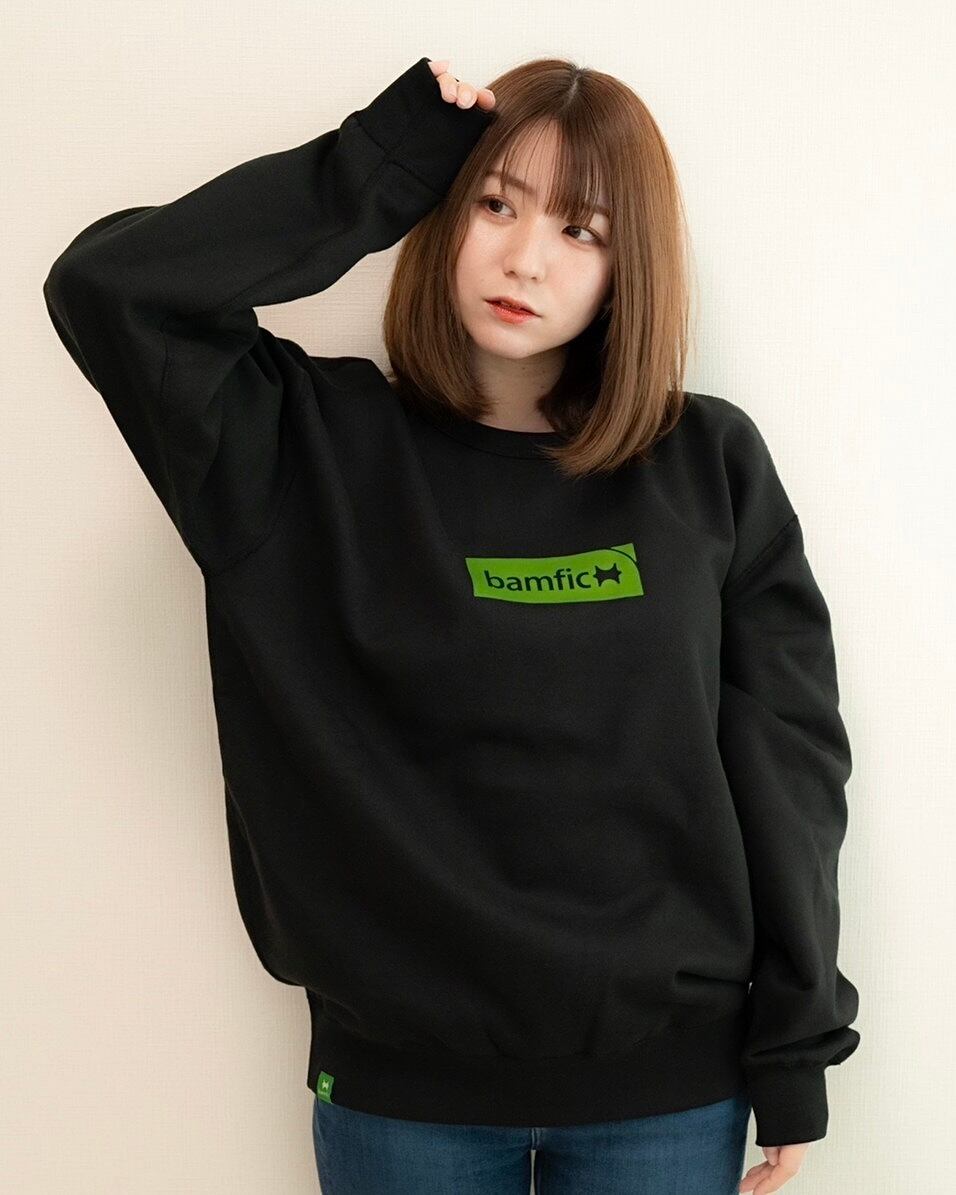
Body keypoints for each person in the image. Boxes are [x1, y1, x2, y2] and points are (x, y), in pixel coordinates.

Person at [42, 53, 860, 1195]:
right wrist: (379, 165)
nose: (526, 258)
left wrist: (795, 1047)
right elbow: (108, 289)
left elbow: (786, 763)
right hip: (402, 1101)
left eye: (581, 230)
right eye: (494, 204)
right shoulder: (292, 450)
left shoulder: (704, 466)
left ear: (629, 267)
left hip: (668, 1091)